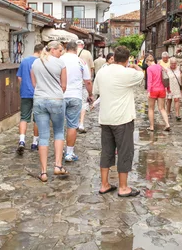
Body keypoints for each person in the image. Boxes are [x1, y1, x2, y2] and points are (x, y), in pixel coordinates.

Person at [94, 46, 144, 197]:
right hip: (122, 118)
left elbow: (96, 90)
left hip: (106, 118)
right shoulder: (127, 73)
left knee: (106, 151)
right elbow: (141, 75)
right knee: (124, 151)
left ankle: (104, 184)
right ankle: (123, 187)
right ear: (127, 59)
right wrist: (135, 66)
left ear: (114, 57)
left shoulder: (102, 72)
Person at [30, 41, 68, 182]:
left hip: (39, 100)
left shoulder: (35, 63)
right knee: (58, 132)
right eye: (59, 51)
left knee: (43, 136)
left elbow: (34, 84)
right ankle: (58, 166)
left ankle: (44, 172)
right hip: (56, 99)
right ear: (52, 50)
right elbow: (64, 86)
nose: (60, 53)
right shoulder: (60, 64)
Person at [61, 41, 93, 162]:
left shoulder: (59, 60)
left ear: (66, 48)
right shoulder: (81, 61)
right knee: (72, 126)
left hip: (60, 95)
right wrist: (90, 94)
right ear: (76, 49)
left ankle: (59, 151)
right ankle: (69, 153)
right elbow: (88, 81)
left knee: (59, 126)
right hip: (75, 95)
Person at [15, 43, 43, 155]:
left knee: (24, 117)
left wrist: (23, 87)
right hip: (38, 93)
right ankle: (35, 143)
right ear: (41, 51)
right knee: (37, 119)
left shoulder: (24, 61)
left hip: (25, 93)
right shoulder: (41, 62)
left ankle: (22, 140)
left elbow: (19, 77)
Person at [146, 55, 170, 131]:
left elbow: (149, 81)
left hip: (153, 90)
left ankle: (152, 127)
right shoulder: (160, 66)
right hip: (162, 89)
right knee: (162, 108)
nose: (147, 65)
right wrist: (168, 88)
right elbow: (166, 76)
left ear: (148, 61)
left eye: (147, 63)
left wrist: (148, 91)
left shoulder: (149, 68)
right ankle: (167, 124)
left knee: (151, 109)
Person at [75, 40, 94, 134]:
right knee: (84, 103)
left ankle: (73, 123)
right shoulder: (87, 53)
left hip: (73, 83)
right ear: (83, 45)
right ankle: (81, 123)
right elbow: (91, 67)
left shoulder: (69, 54)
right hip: (84, 82)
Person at [165, 57, 182, 121]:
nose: (173, 65)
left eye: (175, 63)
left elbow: (181, 77)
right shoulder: (167, 69)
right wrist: (167, 87)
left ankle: (177, 115)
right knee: (169, 100)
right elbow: (165, 79)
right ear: (170, 63)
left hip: (177, 87)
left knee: (176, 100)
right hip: (169, 87)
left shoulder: (178, 69)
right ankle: (168, 113)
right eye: (172, 63)